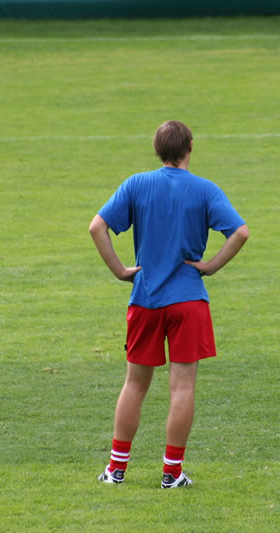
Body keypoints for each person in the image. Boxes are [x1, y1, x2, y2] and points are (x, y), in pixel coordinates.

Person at [89, 120, 249, 488]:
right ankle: (171, 474)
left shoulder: (136, 184)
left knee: (135, 384)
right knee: (182, 388)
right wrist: (209, 266)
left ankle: (116, 470)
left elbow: (97, 227)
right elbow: (240, 232)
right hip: (188, 301)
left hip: (145, 298)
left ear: (157, 150)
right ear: (190, 145)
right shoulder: (206, 190)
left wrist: (119, 271)